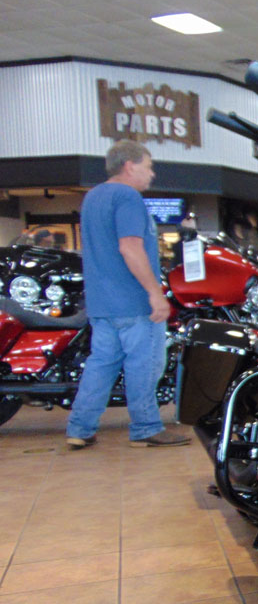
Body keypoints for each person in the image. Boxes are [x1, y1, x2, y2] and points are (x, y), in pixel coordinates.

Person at [64, 141, 189, 450]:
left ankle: (80, 428)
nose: (152, 174)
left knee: (101, 364)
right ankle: (146, 427)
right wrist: (155, 293)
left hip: (101, 304)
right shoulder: (127, 197)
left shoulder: (93, 197)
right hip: (133, 302)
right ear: (130, 166)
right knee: (144, 365)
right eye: (148, 166)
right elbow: (130, 248)